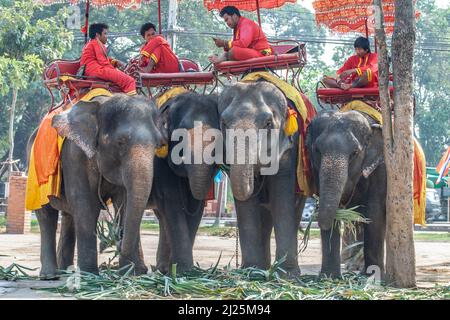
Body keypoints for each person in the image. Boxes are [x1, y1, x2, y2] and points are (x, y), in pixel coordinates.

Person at [80, 23, 136, 95]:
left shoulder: (91, 43)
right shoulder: (96, 43)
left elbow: (102, 58)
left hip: (90, 71)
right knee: (129, 80)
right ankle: (131, 103)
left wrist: (115, 62)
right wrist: (117, 71)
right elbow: (103, 62)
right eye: (105, 34)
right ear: (97, 35)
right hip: (96, 70)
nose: (107, 37)